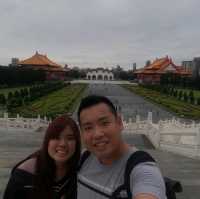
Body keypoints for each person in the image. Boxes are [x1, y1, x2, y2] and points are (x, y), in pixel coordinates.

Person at [77, 95, 166, 199]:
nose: (97, 134)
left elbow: (149, 188)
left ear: (119, 123)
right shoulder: (83, 159)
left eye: (104, 123)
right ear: (81, 132)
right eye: (88, 128)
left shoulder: (141, 169)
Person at [3, 114, 81, 199]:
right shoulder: (24, 176)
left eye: (70, 138)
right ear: (47, 141)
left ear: (77, 142)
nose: (63, 144)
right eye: (56, 137)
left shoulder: (80, 171)